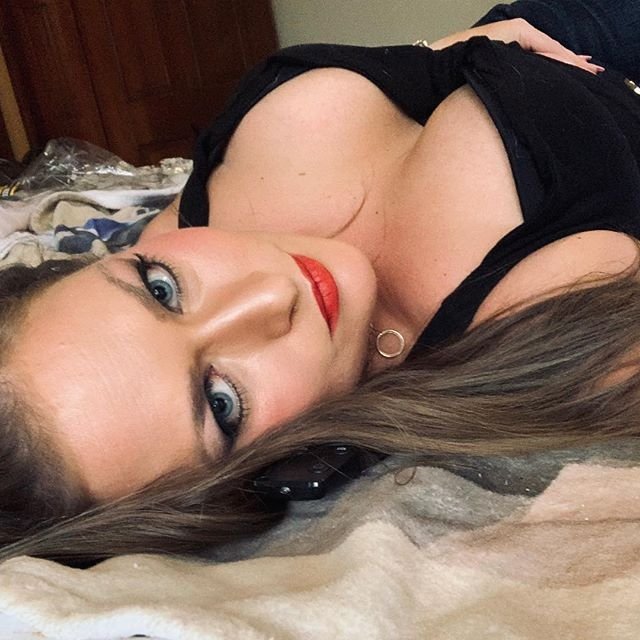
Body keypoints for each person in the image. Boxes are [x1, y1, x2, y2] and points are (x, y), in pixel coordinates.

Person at [1, 0, 640, 565]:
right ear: (264, 479)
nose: (269, 295)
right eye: (222, 401)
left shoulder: (186, 225)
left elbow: (415, 70)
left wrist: (475, 42)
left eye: (160, 290)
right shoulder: (532, 333)